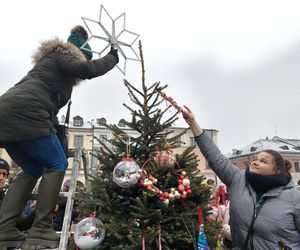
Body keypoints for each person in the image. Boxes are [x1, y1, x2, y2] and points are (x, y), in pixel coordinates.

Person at [0, 25, 119, 249]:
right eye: (83, 58)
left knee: (33, 169)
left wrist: (56, 136)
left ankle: (5, 229)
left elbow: (49, 111)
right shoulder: (63, 54)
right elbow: (88, 70)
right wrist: (112, 57)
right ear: (79, 53)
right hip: (26, 112)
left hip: (7, 115)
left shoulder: (47, 67)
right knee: (57, 163)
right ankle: (41, 229)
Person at [182, 106, 300, 249]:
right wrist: (193, 123)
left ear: (276, 171)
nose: (255, 162)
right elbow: (216, 158)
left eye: (263, 161)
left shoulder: (294, 198)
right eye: (256, 159)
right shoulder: (239, 180)